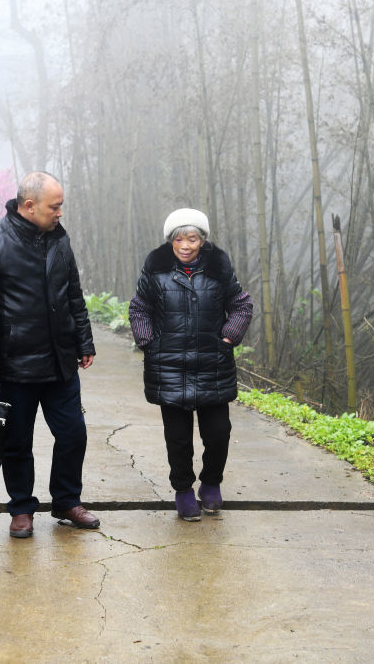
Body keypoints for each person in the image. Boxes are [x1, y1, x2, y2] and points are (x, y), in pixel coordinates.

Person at [0, 171, 99, 538]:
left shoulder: (59, 239)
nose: (60, 213)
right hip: (15, 364)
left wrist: (84, 341)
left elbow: (73, 293)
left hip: (61, 361)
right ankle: (21, 509)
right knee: (17, 442)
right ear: (29, 206)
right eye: (54, 207)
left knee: (74, 433)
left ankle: (67, 501)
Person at [129, 208, 253, 521]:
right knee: (178, 439)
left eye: (193, 238)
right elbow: (138, 309)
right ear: (171, 241)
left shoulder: (218, 270)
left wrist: (228, 337)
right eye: (179, 239)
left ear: (202, 241)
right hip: (169, 369)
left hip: (213, 367)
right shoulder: (155, 272)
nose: (186, 245)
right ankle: (183, 489)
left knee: (218, 433)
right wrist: (148, 343)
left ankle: (211, 483)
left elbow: (242, 305)